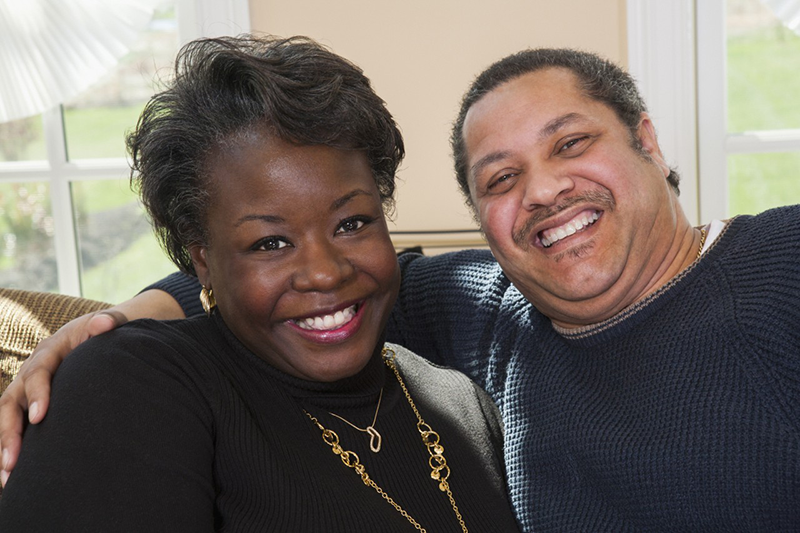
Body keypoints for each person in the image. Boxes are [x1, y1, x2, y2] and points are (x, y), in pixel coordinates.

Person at [3, 46, 800, 532]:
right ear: (484, 221)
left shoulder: (782, 259)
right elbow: (287, 276)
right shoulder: (488, 314)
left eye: (572, 142)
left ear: (648, 141)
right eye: (502, 177)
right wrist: (121, 322)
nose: (547, 189)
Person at [0, 35, 522, 532]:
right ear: (201, 259)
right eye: (270, 243)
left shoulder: (460, 404)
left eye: (352, 223)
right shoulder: (132, 386)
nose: (325, 272)